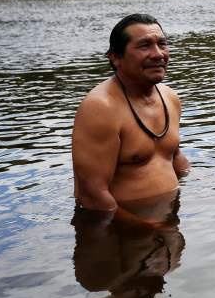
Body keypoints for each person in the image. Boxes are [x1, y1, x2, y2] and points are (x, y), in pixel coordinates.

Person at [72, 13, 190, 228]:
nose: (158, 54)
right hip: (117, 232)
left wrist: (208, 186)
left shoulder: (170, 97)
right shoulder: (100, 108)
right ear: (115, 57)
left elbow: (175, 156)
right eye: (145, 46)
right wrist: (147, 229)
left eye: (162, 44)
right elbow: (92, 196)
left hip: (168, 221)